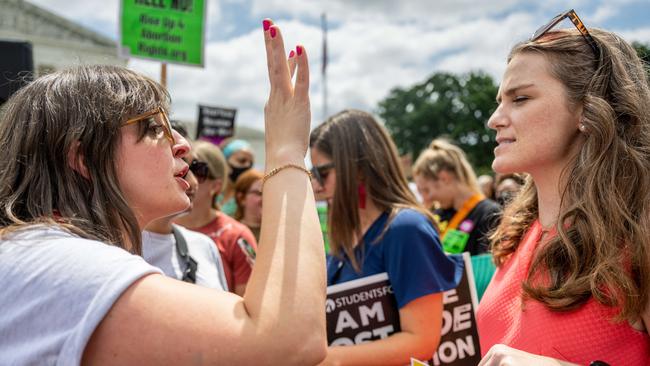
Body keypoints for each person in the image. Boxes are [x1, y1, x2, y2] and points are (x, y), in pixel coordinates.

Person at [0, 19, 327, 365]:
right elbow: (289, 341)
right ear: (83, 158)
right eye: (155, 128)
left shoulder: (42, 253)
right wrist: (288, 150)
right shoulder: (59, 262)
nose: (184, 145)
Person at [477, 10, 650, 366]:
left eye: (520, 99)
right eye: (499, 102)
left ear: (588, 111)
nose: (495, 119)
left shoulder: (638, 233)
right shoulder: (517, 233)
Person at [310, 109, 462, 365]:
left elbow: (421, 341)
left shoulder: (406, 229)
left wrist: (326, 359)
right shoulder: (346, 235)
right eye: (312, 174)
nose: (316, 185)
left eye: (322, 173)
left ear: (358, 169)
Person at [142, 125, 229, 290]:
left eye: (197, 169)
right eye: (180, 168)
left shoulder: (204, 246)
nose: (193, 182)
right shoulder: (108, 248)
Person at [174, 139, 258, 296]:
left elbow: (249, 305)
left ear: (216, 186)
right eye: (182, 165)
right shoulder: (157, 227)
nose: (187, 176)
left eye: (197, 169)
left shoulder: (237, 237)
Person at [412, 139, 501, 255]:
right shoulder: (437, 216)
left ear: (444, 178)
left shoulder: (490, 214)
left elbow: (487, 267)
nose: (425, 199)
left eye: (426, 190)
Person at [218, 138, 255, 217]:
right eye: (242, 161)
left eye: (251, 163)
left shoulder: (248, 196)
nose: (247, 165)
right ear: (225, 162)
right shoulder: (211, 191)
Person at [233, 169, 264, 242]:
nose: (265, 198)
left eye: (268, 193)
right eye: (259, 193)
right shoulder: (231, 231)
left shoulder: (276, 232)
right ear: (242, 198)